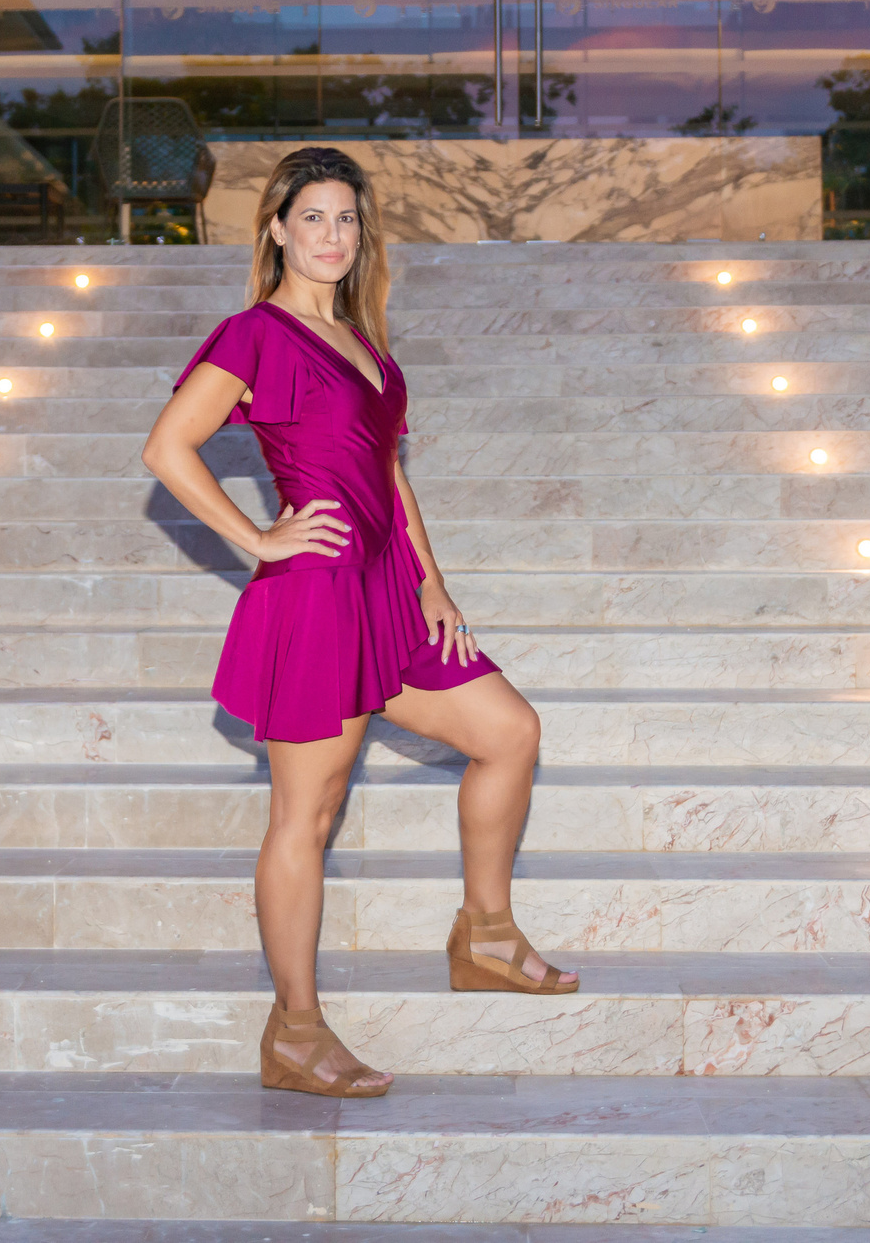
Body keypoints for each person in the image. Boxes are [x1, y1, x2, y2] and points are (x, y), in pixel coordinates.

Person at [141, 146, 574, 1099]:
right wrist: (258, 538)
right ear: (277, 229)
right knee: (310, 813)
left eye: (347, 220)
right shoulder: (254, 333)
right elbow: (167, 445)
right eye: (314, 218)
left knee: (510, 731)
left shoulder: (367, 344)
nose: (332, 236)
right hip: (318, 595)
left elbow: (389, 478)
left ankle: (486, 934)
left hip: (389, 592)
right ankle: (295, 1028)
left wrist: (433, 583)